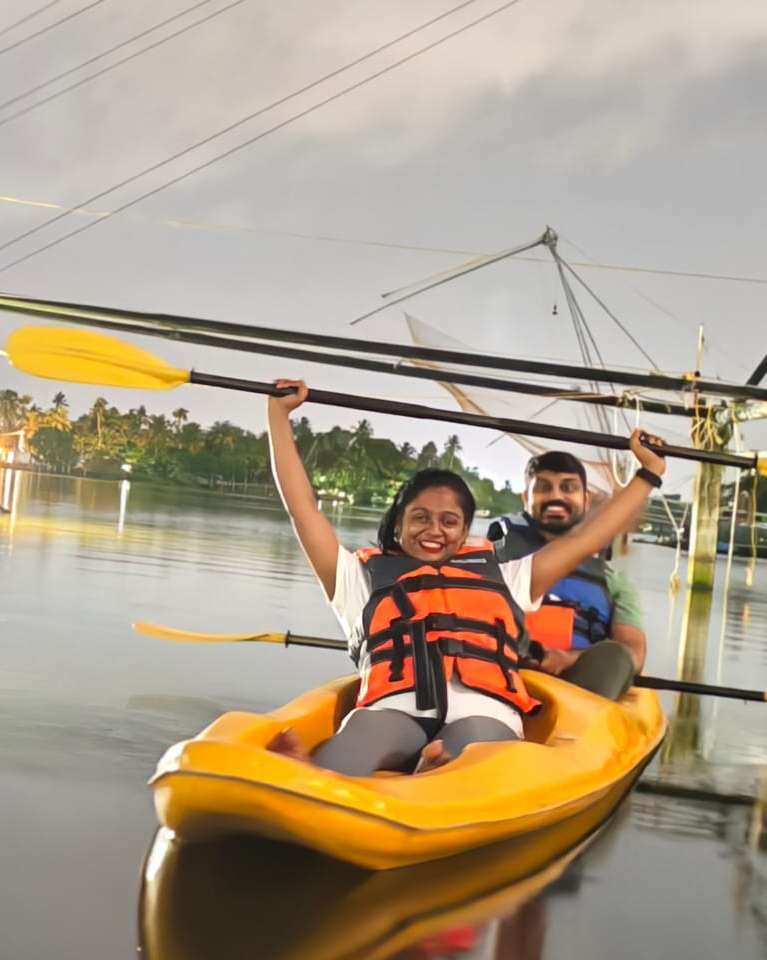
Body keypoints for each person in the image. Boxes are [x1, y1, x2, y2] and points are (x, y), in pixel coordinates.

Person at [267, 379, 666, 776]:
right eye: (420, 518)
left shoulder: (508, 577)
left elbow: (585, 538)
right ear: (399, 524)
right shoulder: (357, 577)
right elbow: (303, 509)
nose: (433, 530)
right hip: (393, 708)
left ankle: (432, 773)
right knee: (366, 735)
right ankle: (315, 780)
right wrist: (279, 415)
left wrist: (647, 475)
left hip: (484, 712)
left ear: (464, 532)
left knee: (475, 742)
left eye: (449, 521)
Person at [488, 450, 648, 700]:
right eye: (543, 488)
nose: (556, 496)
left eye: (568, 487)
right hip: (503, 677)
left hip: (579, 693)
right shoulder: (493, 560)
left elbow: (633, 654)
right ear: (525, 497)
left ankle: (582, 731)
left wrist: (568, 659)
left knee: (615, 656)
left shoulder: (613, 580)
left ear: (586, 499)